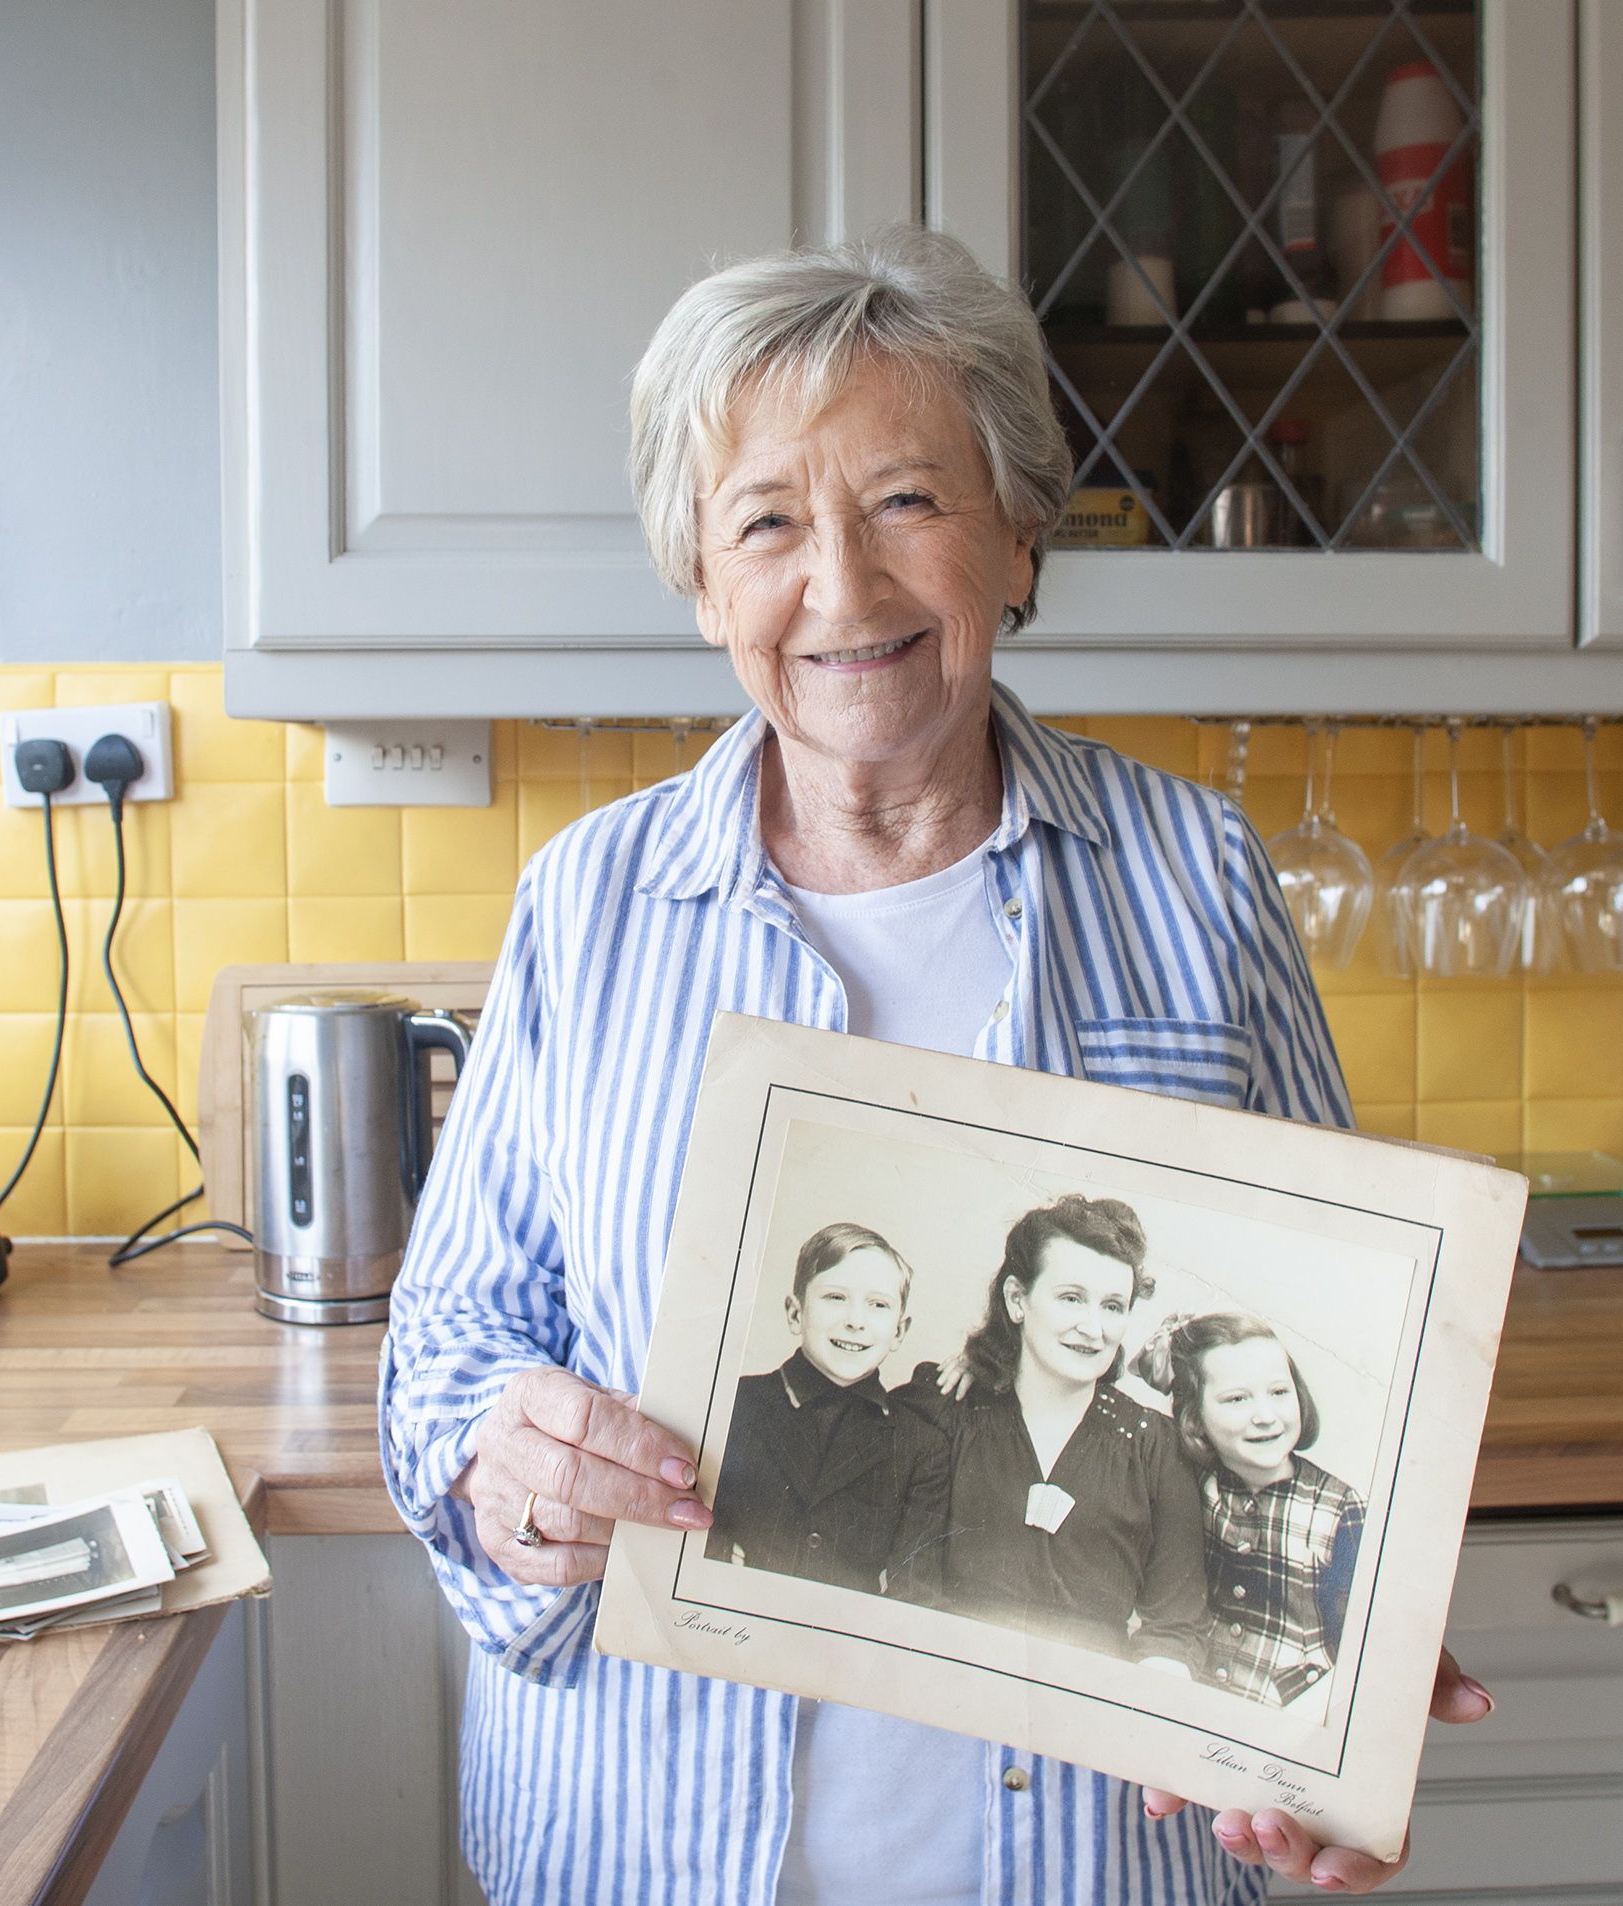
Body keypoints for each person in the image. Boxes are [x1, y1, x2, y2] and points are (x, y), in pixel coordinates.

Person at [378, 224, 1491, 1906]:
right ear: (699, 580)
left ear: (1021, 531)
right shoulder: (589, 901)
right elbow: (450, 1337)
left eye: (907, 500)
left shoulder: (1194, 872)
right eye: (766, 522)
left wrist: (1334, 1668)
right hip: (643, 1840)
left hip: (1099, 1850)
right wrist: (497, 1471)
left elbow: (1332, 1336)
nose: (844, 585)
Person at [898, 1196, 1206, 1670]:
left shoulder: (1157, 1448)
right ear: (1017, 1300)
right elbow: (910, 1592)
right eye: (1071, 1298)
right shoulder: (949, 1415)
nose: (1093, 1328)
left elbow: (1173, 1629)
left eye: (1112, 1306)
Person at [1135, 1312, 1364, 1706]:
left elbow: (1363, 1650)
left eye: (1279, 1392)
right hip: (1197, 1701)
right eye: (1237, 1399)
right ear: (1193, 1419)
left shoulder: (1339, 1508)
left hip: (1295, 1714)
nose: (1265, 1415)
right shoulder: (1190, 1482)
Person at [707, 1222, 947, 1594]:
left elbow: (916, 1594)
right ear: (794, 1312)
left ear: (899, 1330)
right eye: (836, 1297)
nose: (855, 1321)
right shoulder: (734, 1403)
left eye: (878, 1305)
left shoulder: (918, 1444)